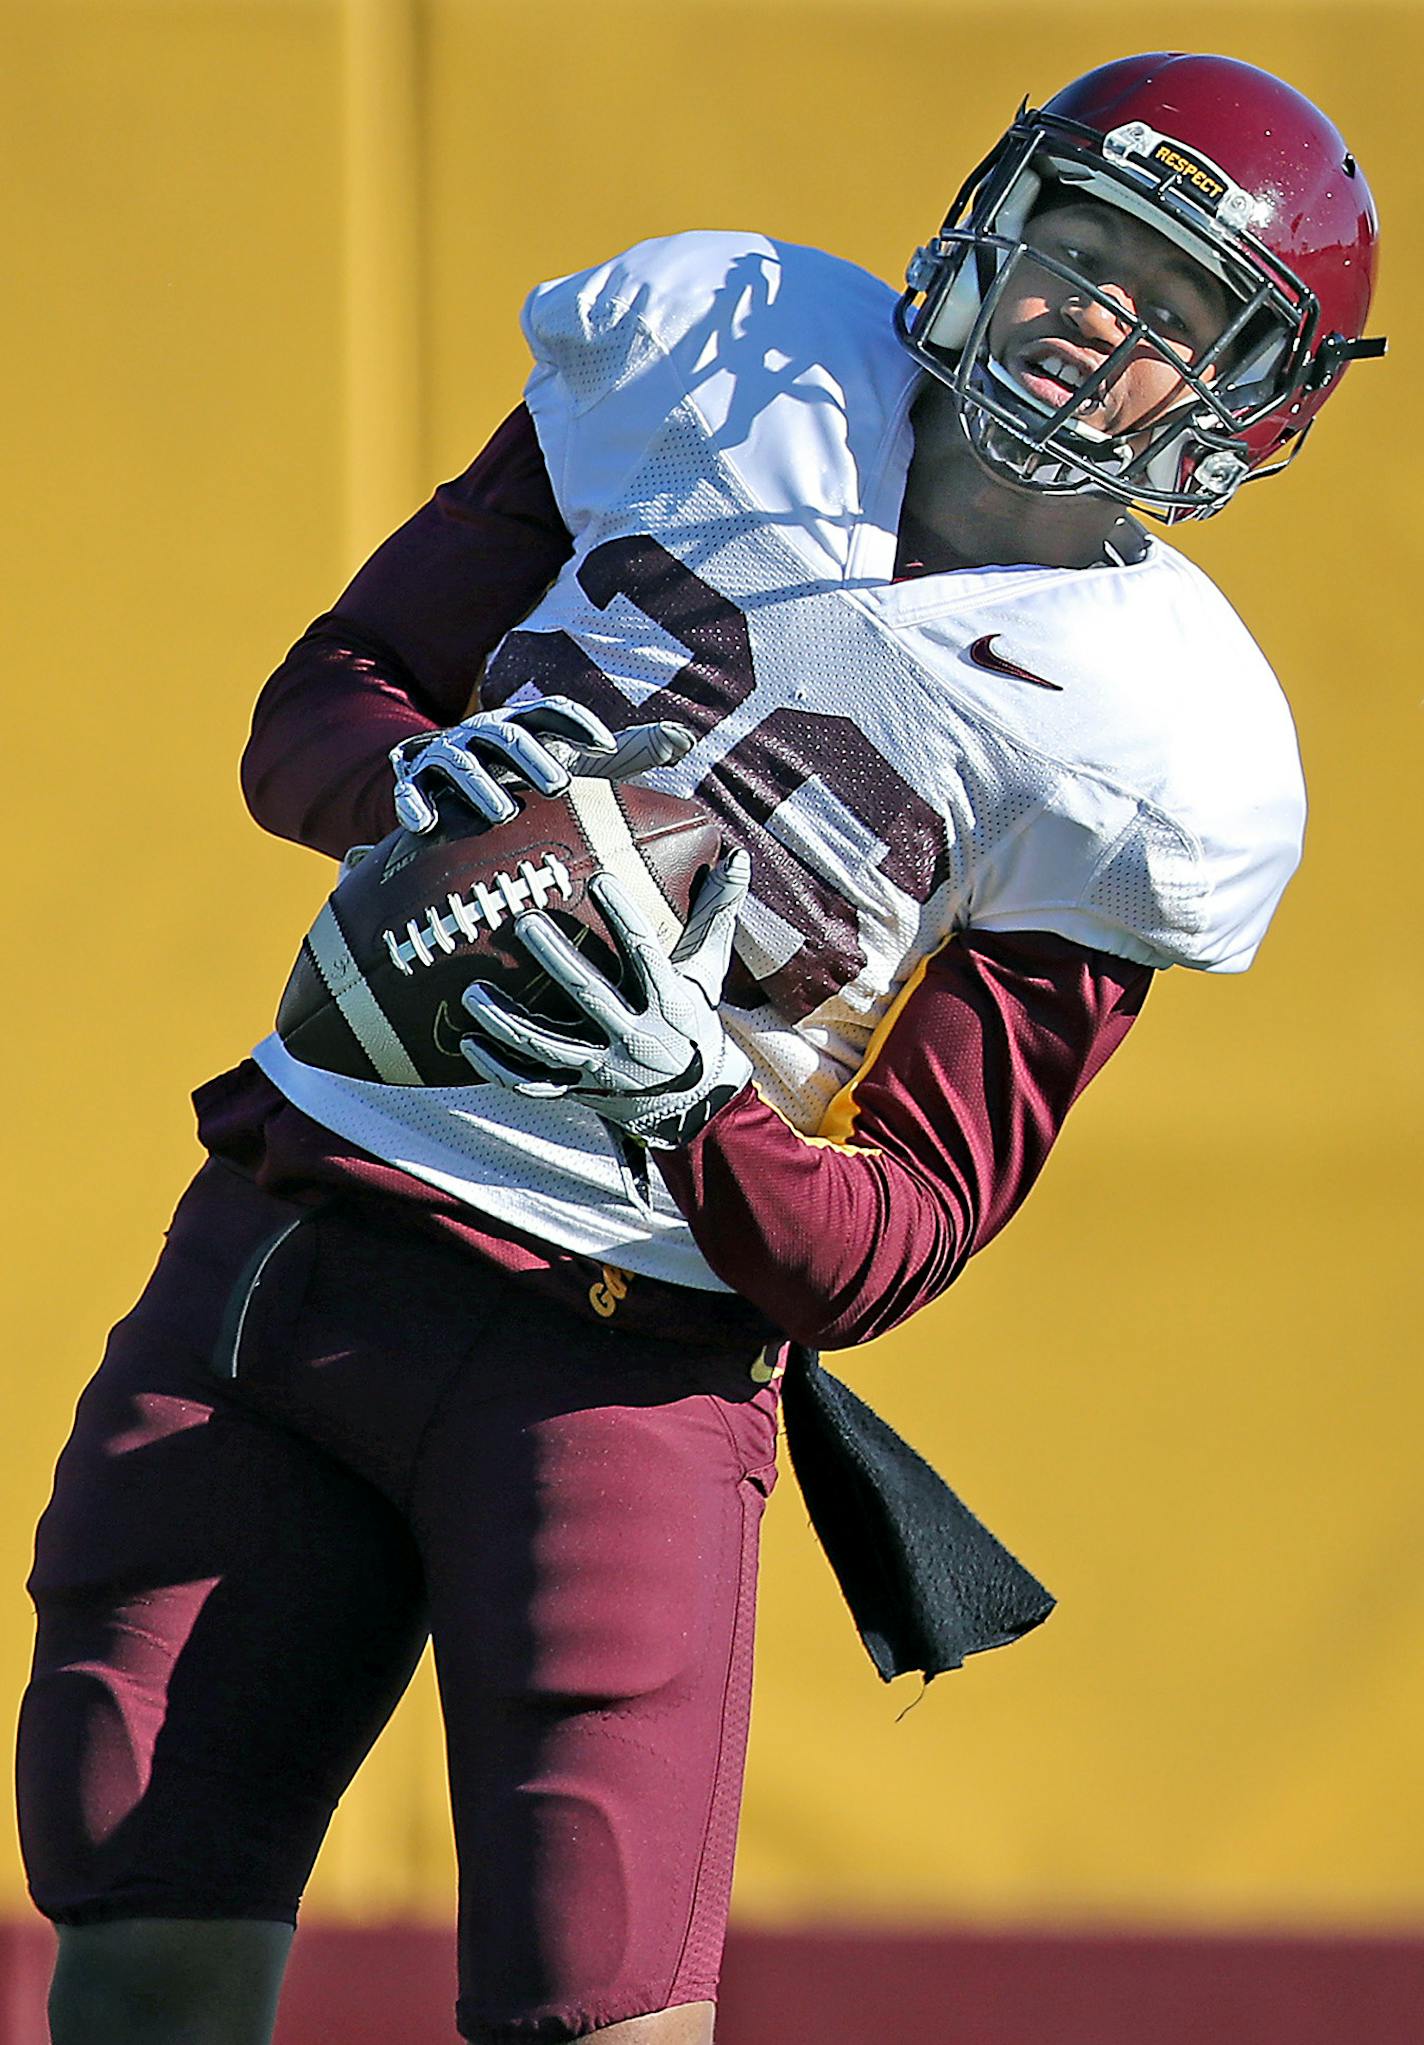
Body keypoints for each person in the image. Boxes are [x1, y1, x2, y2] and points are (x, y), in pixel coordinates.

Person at [17, 50, 1383, 2045]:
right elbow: (321, 707)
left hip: (620, 1361)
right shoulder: (726, 360)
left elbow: (895, 1232)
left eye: (1174, 307)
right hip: (304, 1235)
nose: (1100, 310)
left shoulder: (1152, 738)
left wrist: (696, 1109)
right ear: (988, 228)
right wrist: (420, 782)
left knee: (606, 2024)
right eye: (1083, 248)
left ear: (1252, 405)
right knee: (138, 1961)